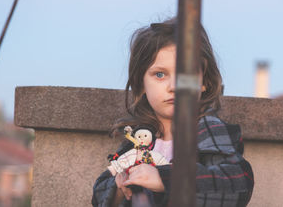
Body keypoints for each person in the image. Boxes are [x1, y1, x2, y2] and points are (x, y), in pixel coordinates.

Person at [92, 19, 254, 207]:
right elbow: (99, 191)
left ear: (204, 82)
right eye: (160, 75)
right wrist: (120, 187)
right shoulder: (142, 137)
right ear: (141, 84)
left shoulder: (207, 128)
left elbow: (238, 183)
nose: (173, 87)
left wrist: (165, 178)